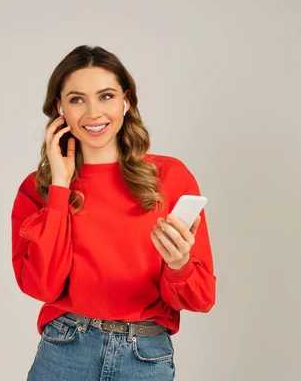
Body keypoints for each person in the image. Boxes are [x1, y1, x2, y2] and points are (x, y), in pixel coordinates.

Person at [11, 45, 216, 380]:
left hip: (144, 356)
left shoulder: (170, 177)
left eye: (105, 96)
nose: (93, 113)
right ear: (59, 108)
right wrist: (60, 187)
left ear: (126, 100)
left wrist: (179, 265)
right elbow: (44, 287)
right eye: (77, 99)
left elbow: (202, 298)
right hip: (65, 351)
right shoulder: (39, 189)